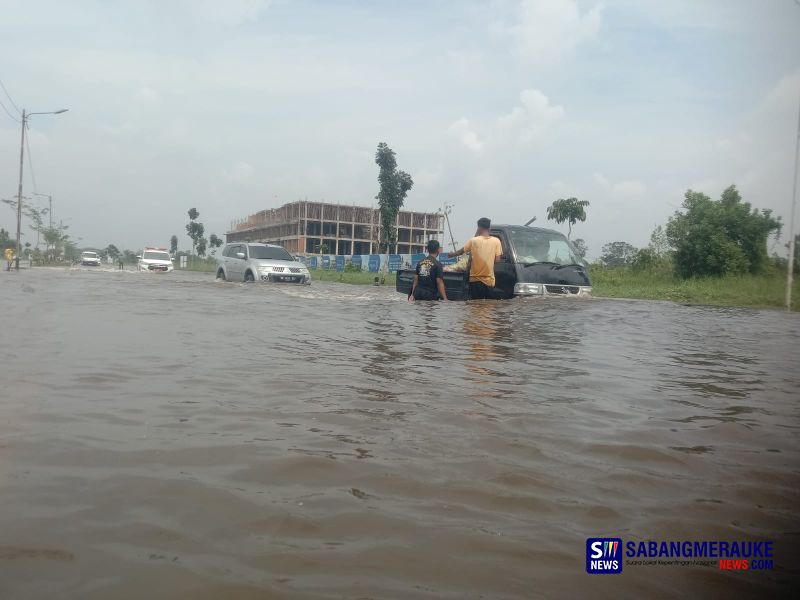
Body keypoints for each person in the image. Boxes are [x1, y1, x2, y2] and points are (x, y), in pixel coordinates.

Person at [448, 217, 503, 300]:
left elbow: (461, 251)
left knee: (475, 306)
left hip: (475, 280)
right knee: (489, 306)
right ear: (489, 228)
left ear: (479, 228)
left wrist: (452, 254)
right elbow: (497, 260)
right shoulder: (496, 241)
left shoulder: (474, 241)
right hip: (489, 280)